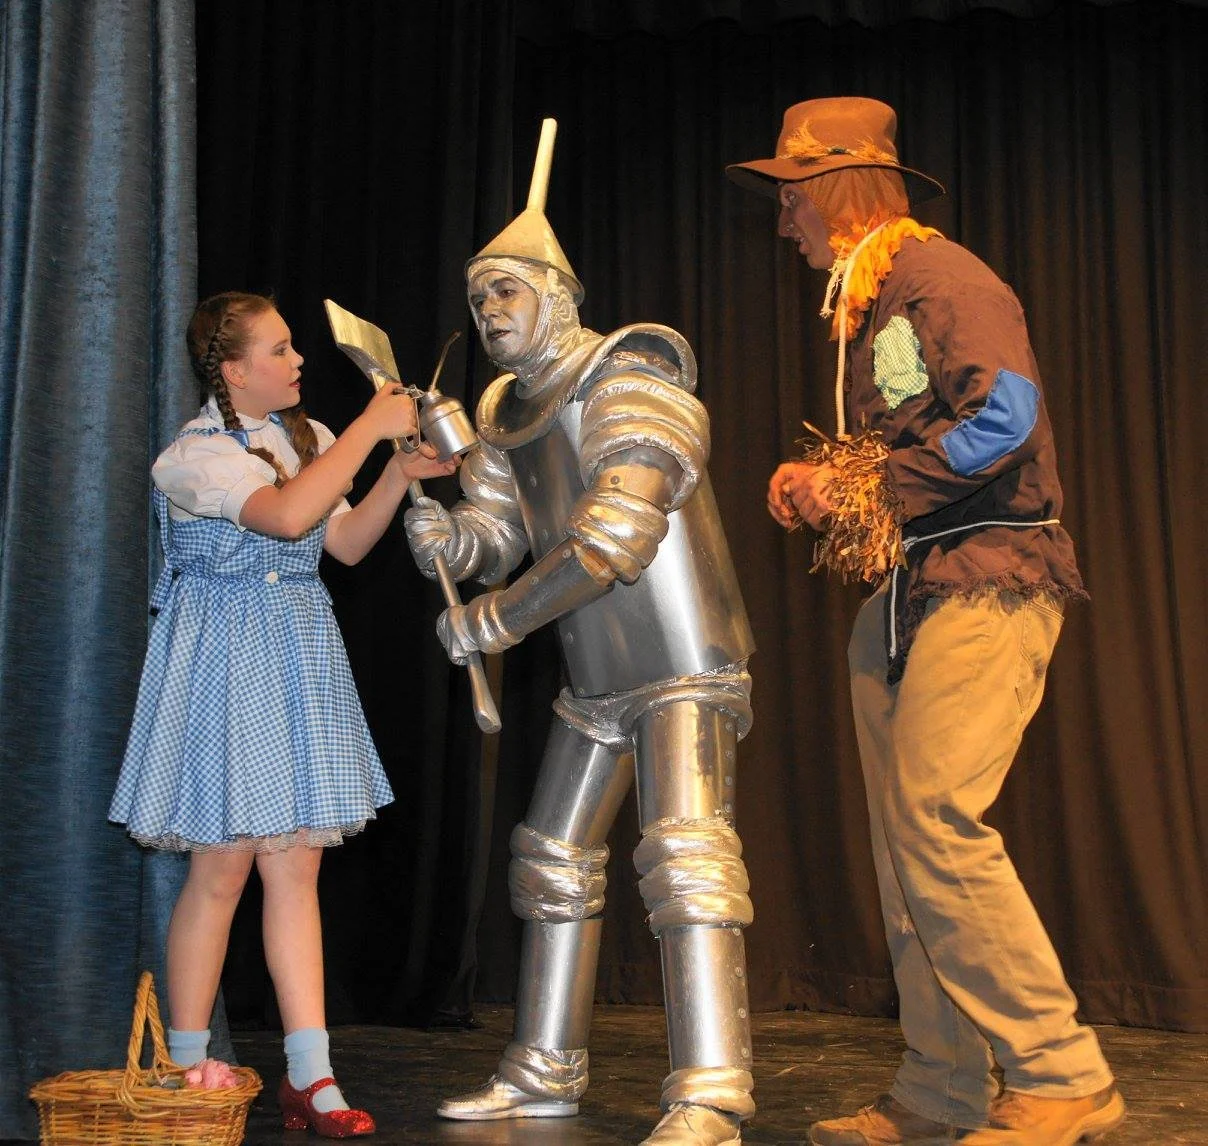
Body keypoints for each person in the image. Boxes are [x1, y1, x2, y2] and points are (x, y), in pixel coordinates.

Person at [726, 97, 1126, 1146]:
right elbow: (924, 428)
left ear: (833, 189)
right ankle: (941, 1084)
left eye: (790, 196)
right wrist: (826, 482)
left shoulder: (940, 280)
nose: (782, 222)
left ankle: (1059, 1071)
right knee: (905, 846)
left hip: (988, 579)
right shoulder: (875, 298)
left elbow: (1005, 417)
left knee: (939, 823)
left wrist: (864, 488)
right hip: (910, 591)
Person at [404, 127, 757, 1146]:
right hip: (597, 678)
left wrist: (492, 620)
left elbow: (612, 536)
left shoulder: (632, 368)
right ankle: (542, 1069)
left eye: (503, 292)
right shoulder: (505, 412)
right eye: (477, 301)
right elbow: (504, 531)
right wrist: (449, 540)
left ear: (555, 294)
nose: (486, 314)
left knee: (686, 860)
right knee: (549, 859)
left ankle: (709, 1093)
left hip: (683, 664)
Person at [109, 291, 457, 1139]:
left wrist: (394, 475)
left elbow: (340, 543)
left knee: (294, 867)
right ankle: (188, 1066)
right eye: (279, 349)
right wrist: (374, 434)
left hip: (297, 647)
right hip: (224, 657)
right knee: (221, 868)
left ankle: (313, 1076)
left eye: (294, 346)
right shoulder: (191, 457)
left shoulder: (306, 439)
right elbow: (288, 515)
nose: (298, 361)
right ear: (232, 370)